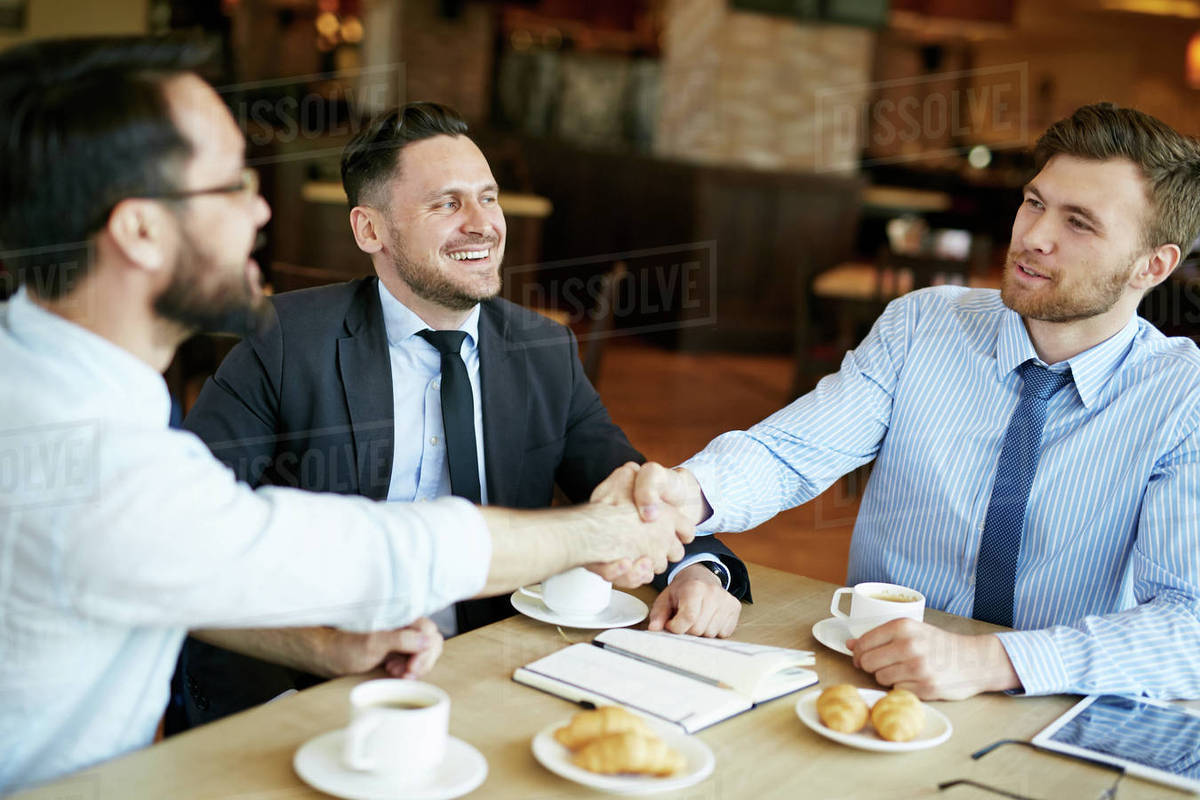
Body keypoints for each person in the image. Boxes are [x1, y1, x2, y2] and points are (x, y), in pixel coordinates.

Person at [0, 36, 689, 793]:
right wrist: (599, 530)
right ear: (138, 229)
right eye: (232, 186)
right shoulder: (87, 450)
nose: (262, 208)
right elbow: (379, 553)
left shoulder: (61, 386)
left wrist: (323, 648)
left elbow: (174, 566)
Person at [595, 103, 1200, 702]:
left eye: (1080, 223)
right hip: (874, 682)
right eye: (1035, 203)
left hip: (1057, 706)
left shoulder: (1183, 397)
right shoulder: (923, 324)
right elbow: (790, 452)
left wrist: (993, 661)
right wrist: (690, 493)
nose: (1034, 237)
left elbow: (1188, 624)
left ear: (1153, 265)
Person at [173, 102, 750, 727]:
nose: (482, 224)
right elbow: (195, 544)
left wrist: (697, 572)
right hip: (311, 678)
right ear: (371, 231)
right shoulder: (281, 341)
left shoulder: (543, 350)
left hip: (488, 672)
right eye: (446, 203)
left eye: (489, 198)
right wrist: (278, 712)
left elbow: (627, 481)